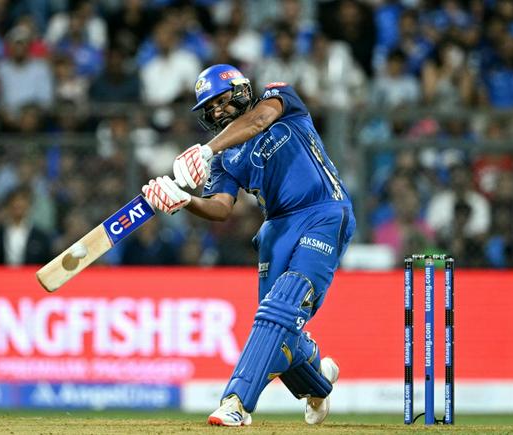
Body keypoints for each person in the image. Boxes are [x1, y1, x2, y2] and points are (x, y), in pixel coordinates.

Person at [142, 64, 356, 426]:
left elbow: (258, 121)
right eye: (209, 108)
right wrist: (185, 200)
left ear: (241, 90)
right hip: (276, 228)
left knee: (283, 304)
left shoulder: (279, 96)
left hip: (323, 210)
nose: (217, 111)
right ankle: (318, 378)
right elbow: (221, 208)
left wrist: (205, 150)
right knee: (278, 322)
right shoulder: (225, 159)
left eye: (221, 100)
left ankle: (236, 402)